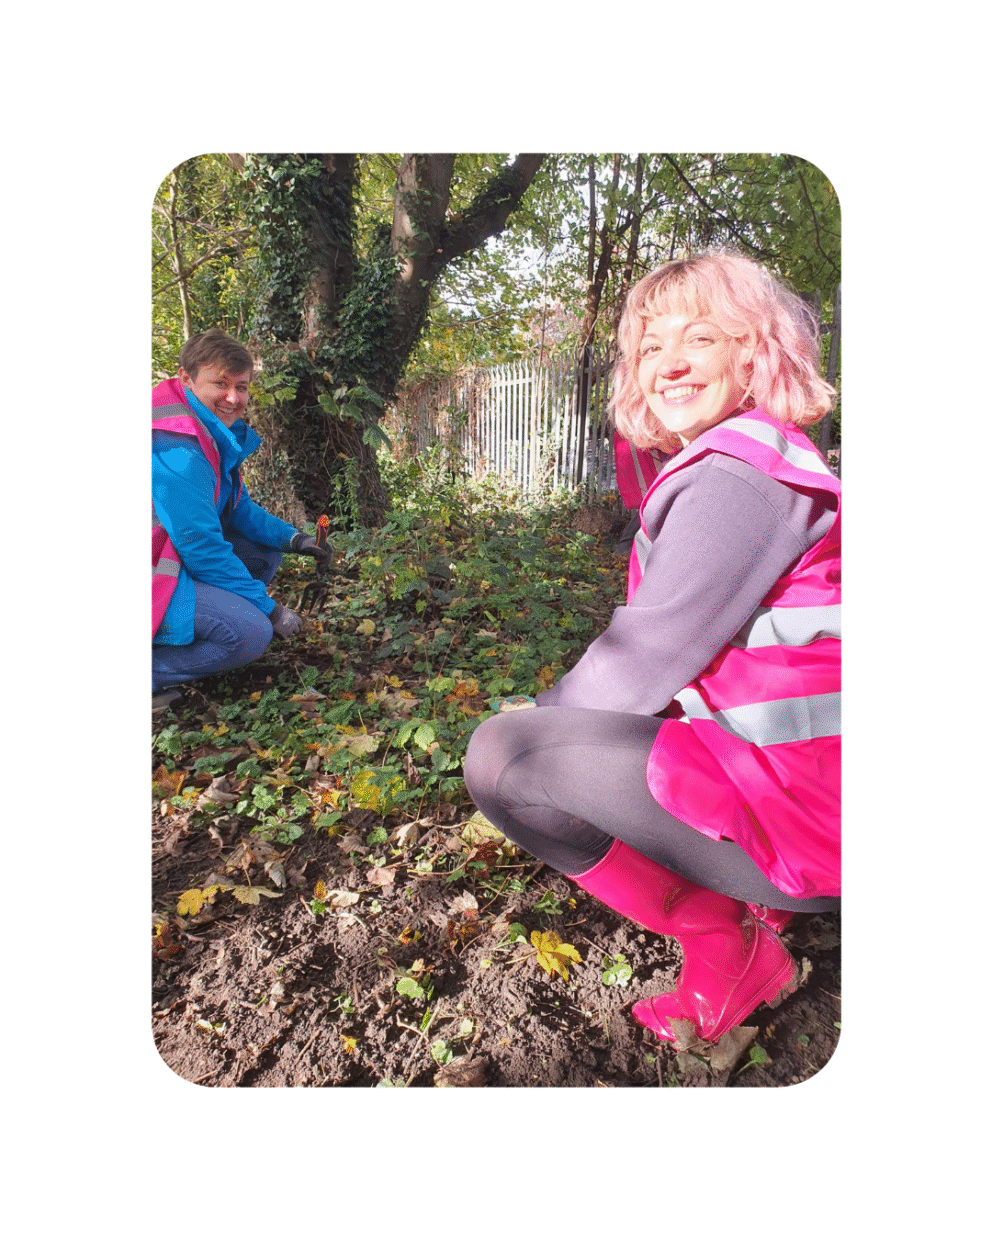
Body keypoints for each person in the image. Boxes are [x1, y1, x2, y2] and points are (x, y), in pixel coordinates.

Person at [464, 250, 840, 1046]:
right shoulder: (768, 457)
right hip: (822, 787)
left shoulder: (737, 479)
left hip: (816, 819)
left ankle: (727, 944)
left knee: (507, 760)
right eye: (649, 347)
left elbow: (642, 661)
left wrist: (541, 721)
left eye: (698, 338)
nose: (667, 363)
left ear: (755, 351)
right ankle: (755, 908)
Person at [152, 329, 331, 708]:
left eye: (242, 386)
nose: (234, 398)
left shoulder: (206, 429)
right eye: (220, 383)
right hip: (155, 573)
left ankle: (207, 630)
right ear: (185, 377)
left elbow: (239, 509)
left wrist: (295, 539)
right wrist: (270, 609)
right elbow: (200, 547)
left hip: (168, 558)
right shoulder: (177, 447)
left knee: (263, 553)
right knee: (249, 634)